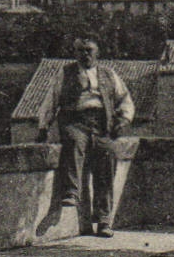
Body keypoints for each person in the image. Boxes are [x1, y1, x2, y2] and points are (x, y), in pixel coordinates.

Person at [37, 37, 134, 237]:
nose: (85, 54)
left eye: (89, 50)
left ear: (97, 53)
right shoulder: (65, 74)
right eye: (81, 51)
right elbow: (51, 100)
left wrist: (123, 121)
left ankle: (104, 220)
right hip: (75, 122)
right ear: (75, 53)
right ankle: (71, 192)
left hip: (101, 124)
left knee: (107, 160)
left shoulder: (109, 74)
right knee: (74, 144)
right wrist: (43, 126)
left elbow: (124, 99)